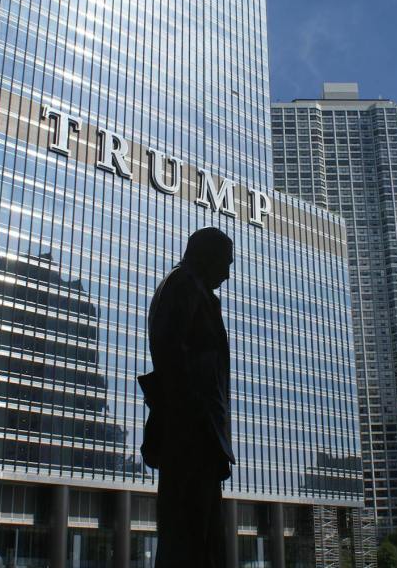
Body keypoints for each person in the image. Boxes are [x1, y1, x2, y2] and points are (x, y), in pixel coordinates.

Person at [145, 227, 235, 568]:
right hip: (190, 431)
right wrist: (195, 413)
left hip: (201, 432)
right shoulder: (183, 285)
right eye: (225, 262)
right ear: (205, 256)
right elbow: (170, 355)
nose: (227, 274)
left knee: (204, 537)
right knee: (189, 534)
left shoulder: (196, 290)